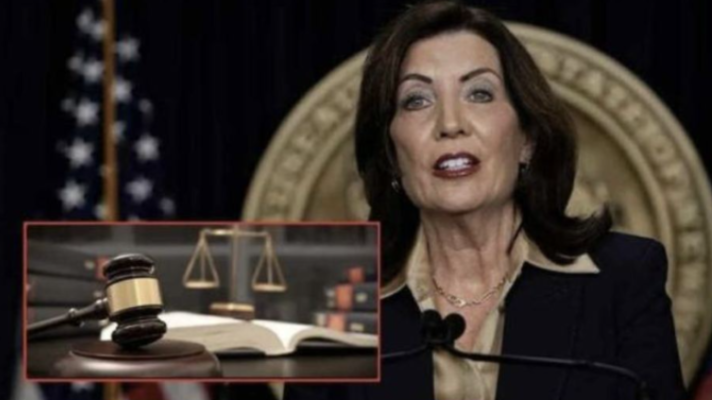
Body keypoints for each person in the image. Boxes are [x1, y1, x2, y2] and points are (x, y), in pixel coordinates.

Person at [286, 1, 685, 399]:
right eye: (417, 100)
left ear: (527, 139)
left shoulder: (626, 276)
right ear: (390, 155)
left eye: (479, 93)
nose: (450, 124)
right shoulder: (324, 293)